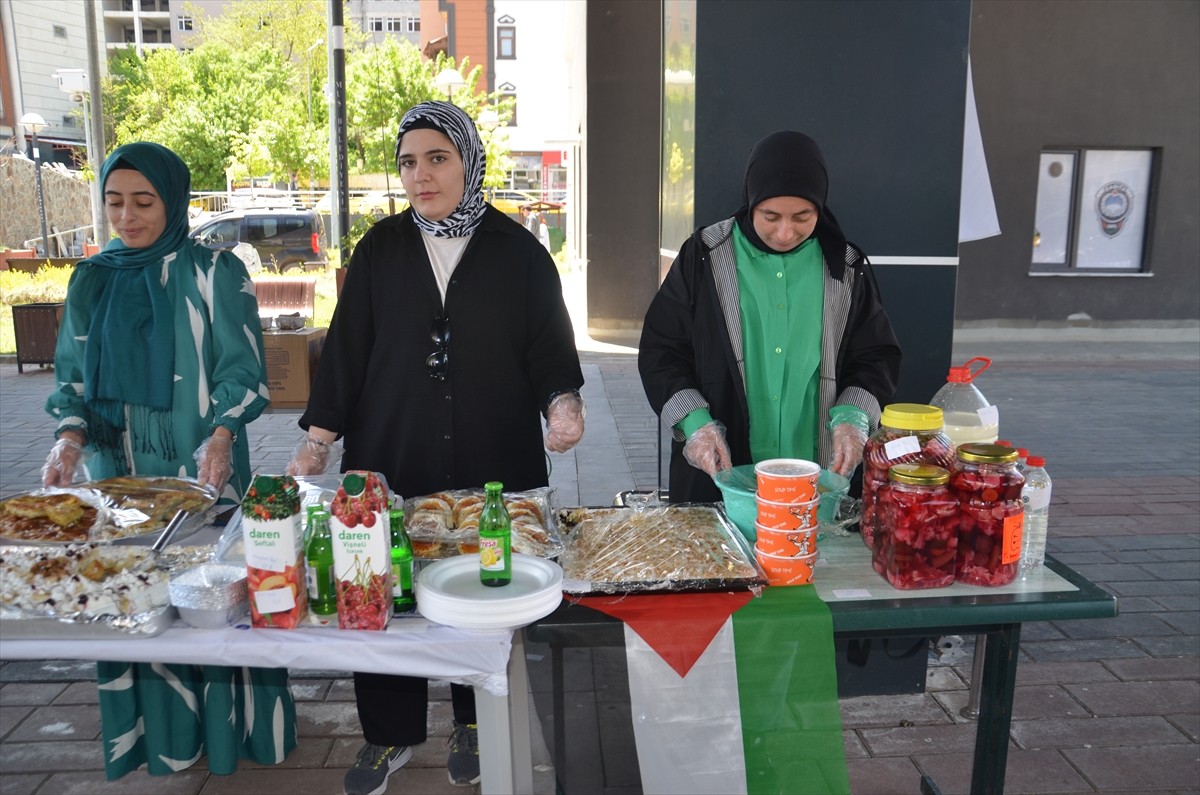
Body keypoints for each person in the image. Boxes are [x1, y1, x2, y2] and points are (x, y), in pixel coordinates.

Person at [287, 101, 585, 795]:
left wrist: (564, 404)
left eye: (437, 158)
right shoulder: (380, 249)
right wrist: (317, 440)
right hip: (392, 452)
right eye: (407, 163)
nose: (420, 176)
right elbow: (347, 352)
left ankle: (475, 715)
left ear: (469, 161)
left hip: (493, 455)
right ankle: (387, 733)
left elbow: (551, 351)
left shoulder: (520, 253)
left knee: (484, 585)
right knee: (380, 586)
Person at [41, 141, 296, 778]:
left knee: (213, 597)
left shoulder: (214, 271)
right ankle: (161, 736)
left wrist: (222, 434)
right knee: (135, 596)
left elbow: (243, 370)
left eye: (144, 202)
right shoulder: (92, 277)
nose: (127, 217)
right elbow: (72, 374)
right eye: (114, 201)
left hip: (200, 464)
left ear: (174, 200)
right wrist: (69, 439)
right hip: (115, 470)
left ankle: (233, 731)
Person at [638, 130, 901, 503]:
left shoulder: (846, 267)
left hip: (817, 480)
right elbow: (661, 351)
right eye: (770, 216)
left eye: (803, 216)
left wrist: (854, 420)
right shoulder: (705, 256)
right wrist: (695, 426)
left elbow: (875, 356)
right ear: (751, 201)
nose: (784, 232)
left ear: (821, 207)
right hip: (719, 477)